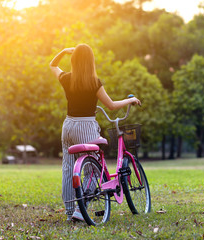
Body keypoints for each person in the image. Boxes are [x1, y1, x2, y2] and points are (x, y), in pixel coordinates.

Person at [49, 44, 140, 222]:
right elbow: (112, 105)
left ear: (73, 60)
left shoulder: (67, 79)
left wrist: (63, 52)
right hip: (86, 127)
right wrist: (131, 100)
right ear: (91, 61)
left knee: (68, 168)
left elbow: (52, 65)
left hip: (68, 126)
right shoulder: (94, 82)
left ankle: (70, 212)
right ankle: (79, 210)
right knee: (92, 169)